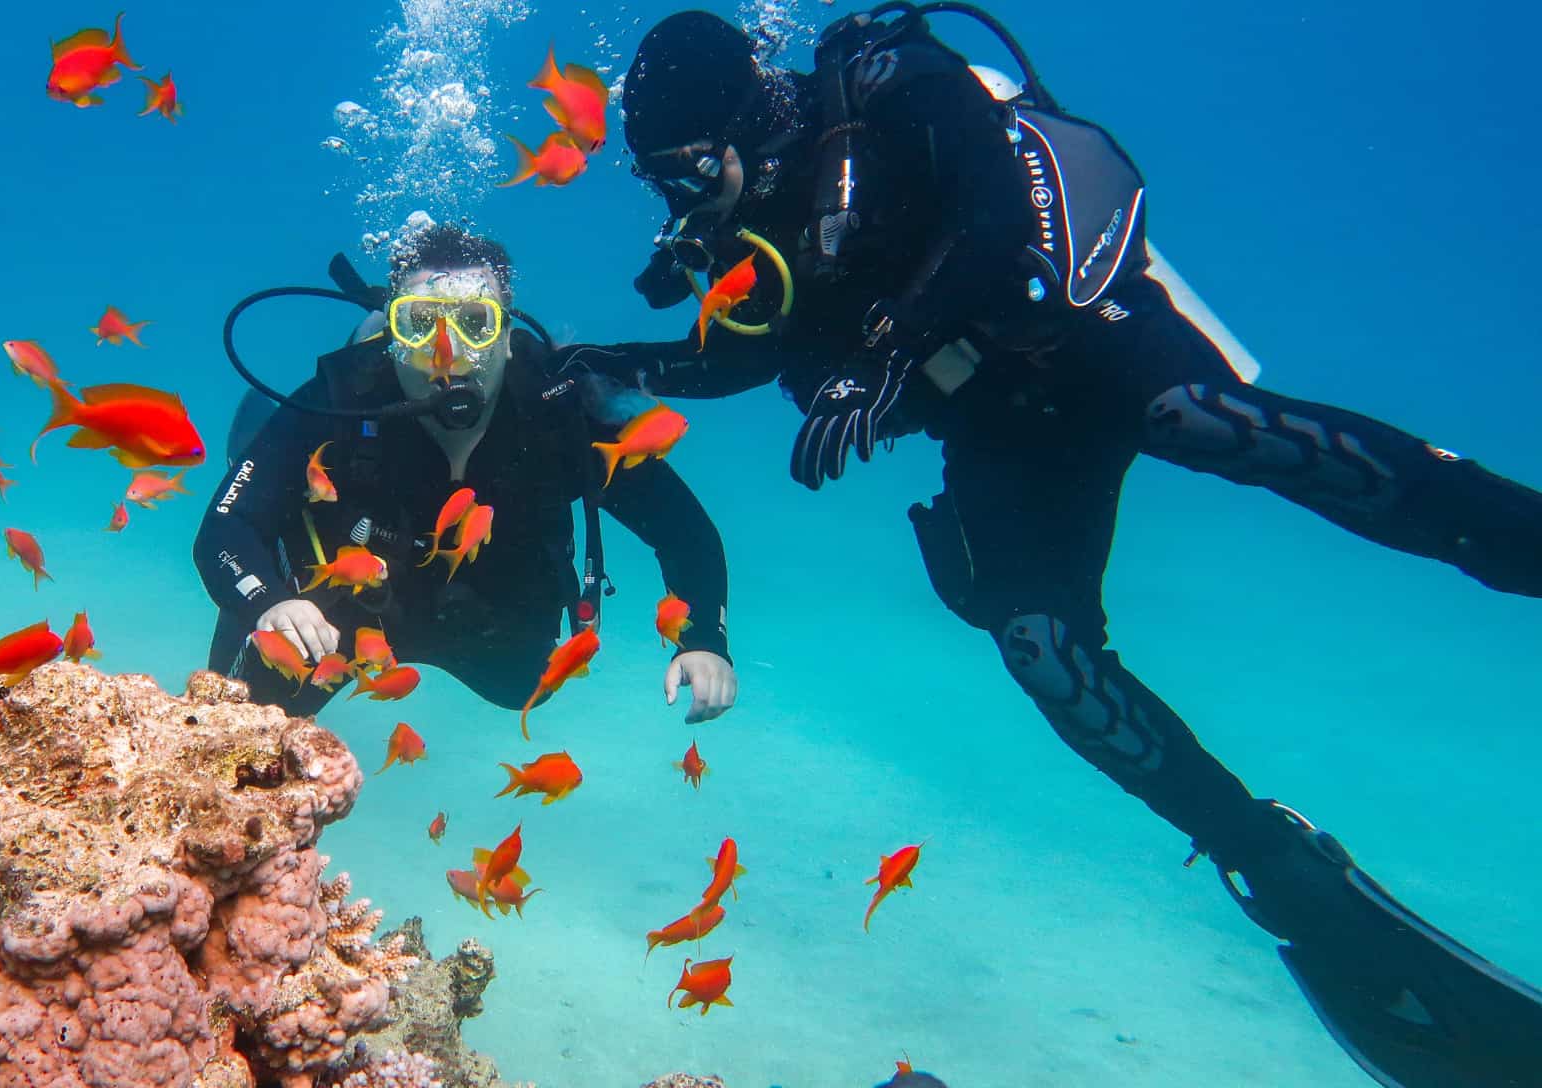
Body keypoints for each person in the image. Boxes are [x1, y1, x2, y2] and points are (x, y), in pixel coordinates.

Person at [555, 7, 1542, 1085]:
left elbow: (986, 204)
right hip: (995, 422)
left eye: (691, 168)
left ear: (743, 118)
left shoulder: (879, 78)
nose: (684, 200)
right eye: (660, 181)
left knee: (1204, 423)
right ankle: (1260, 854)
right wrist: (617, 363)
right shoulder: (755, 233)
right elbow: (751, 354)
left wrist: (890, 346)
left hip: (1078, 335)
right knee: (1039, 645)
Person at [196, 224, 739, 723]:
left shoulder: (559, 416)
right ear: (392, 337)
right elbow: (228, 525)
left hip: (499, 621)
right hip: (346, 615)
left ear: (506, 337)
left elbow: (684, 530)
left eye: (475, 324)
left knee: (527, 686)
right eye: (420, 323)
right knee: (242, 717)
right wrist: (266, 601)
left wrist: (705, 640)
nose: (446, 351)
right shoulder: (341, 400)